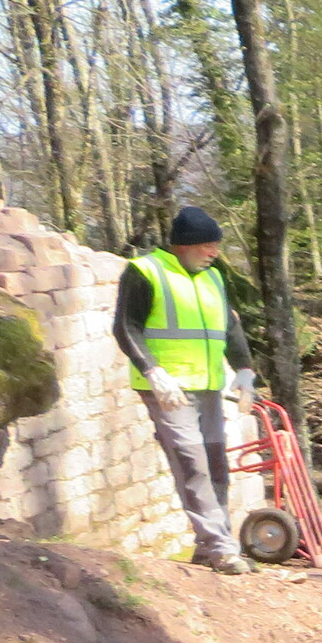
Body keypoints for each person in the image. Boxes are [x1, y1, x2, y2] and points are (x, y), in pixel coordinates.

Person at [113, 205, 259, 574]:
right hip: (168, 391)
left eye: (216, 246)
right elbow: (126, 327)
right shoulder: (145, 271)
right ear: (184, 245)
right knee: (193, 465)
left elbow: (230, 327)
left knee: (216, 466)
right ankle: (221, 548)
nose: (214, 253)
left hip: (208, 386)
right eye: (208, 246)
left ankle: (213, 546)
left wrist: (244, 370)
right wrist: (153, 372)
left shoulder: (213, 277)